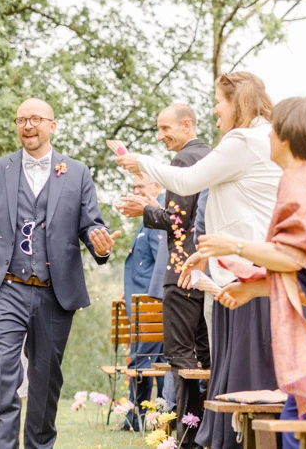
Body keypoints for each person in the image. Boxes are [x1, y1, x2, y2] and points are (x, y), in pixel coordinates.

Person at [0, 98, 120, 449]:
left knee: (45, 381)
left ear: (53, 125)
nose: (28, 125)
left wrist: (101, 246)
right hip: (5, 289)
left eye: (36, 118)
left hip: (55, 293)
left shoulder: (77, 172)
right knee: (3, 375)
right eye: (21, 119)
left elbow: (92, 226)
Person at [118, 72, 281, 449]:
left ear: (236, 102)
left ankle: (229, 439)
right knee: (228, 358)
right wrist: (202, 255)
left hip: (245, 272)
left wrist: (140, 161)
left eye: (219, 102)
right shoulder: (264, 138)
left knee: (240, 363)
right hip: (239, 266)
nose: (214, 110)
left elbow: (188, 182)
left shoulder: (242, 140)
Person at [199, 97, 306, 449]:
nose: (267, 139)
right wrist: (254, 289)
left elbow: (291, 257)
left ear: (286, 137)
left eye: (272, 131)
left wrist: (233, 245)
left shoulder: (303, 183)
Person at [117, 104, 211, 446]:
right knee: (205, 352)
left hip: (183, 269)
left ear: (188, 125)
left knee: (181, 354)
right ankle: (206, 431)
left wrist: (144, 210)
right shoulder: (210, 155)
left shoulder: (185, 160)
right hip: (204, 271)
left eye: (165, 128)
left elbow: (177, 222)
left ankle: (187, 434)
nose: (160, 136)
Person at [115, 173, 168, 430]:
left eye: (140, 186)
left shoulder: (156, 218)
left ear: (156, 187)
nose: (135, 190)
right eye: (133, 186)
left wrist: (153, 301)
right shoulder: (145, 219)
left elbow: (161, 261)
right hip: (138, 306)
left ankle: (142, 418)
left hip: (149, 307)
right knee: (142, 359)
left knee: (145, 361)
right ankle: (137, 418)